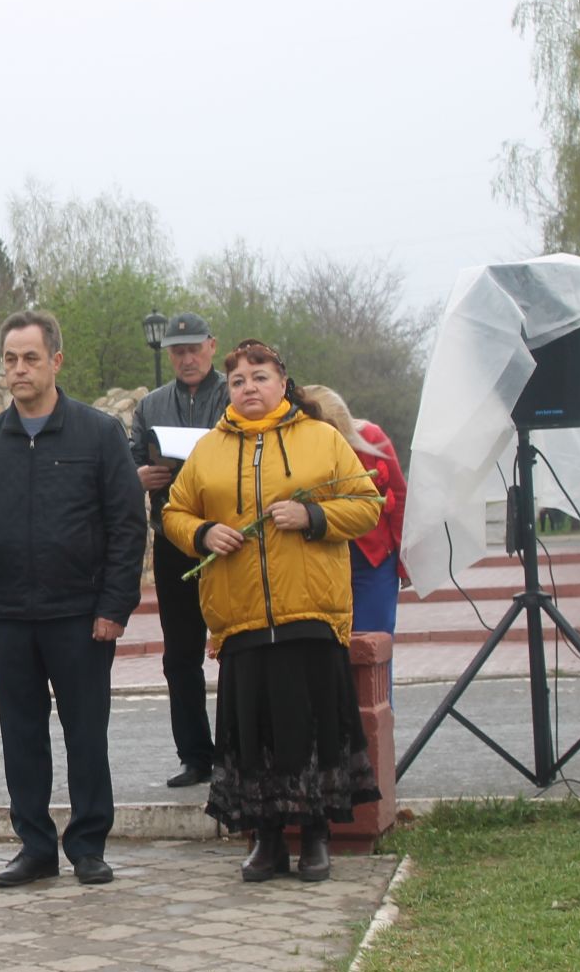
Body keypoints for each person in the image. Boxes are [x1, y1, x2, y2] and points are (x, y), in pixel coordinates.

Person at [160, 339, 382, 883]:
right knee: (254, 731)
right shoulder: (209, 450)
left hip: (310, 612)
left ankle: (315, 836)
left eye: (259, 377)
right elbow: (173, 514)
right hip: (242, 619)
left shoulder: (322, 438)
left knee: (310, 727)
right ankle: (264, 840)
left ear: (282, 383)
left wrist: (312, 516)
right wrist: (204, 532)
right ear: (227, 390)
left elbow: (366, 505)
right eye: (238, 382)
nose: (249, 388)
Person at [0, 309, 147, 888]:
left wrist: (114, 606)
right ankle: (34, 847)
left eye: (31, 357)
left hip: (81, 617)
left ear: (56, 361)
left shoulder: (99, 434)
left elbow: (127, 527)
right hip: (9, 620)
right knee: (21, 737)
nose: (19, 369)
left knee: (86, 733)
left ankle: (87, 844)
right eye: (10, 359)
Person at [130, 311, 229, 788]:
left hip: (230, 538)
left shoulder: (235, 395)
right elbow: (128, 463)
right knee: (180, 655)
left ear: (212, 346)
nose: (187, 358)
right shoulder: (151, 407)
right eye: (178, 351)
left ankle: (237, 749)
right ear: (169, 354)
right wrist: (140, 478)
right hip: (172, 539)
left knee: (236, 646)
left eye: (194, 348)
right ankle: (195, 755)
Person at [301, 385, 408, 684]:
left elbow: (398, 497)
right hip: (321, 561)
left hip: (373, 563)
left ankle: (377, 724)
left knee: (371, 651)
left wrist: (404, 562)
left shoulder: (371, 438)